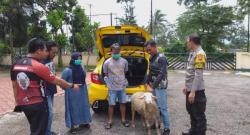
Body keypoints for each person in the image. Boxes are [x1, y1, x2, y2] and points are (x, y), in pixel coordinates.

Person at [10, 38, 80, 135]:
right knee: (40, 131)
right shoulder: (38, 66)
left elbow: (14, 86)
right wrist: (72, 85)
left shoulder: (15, 65)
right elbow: (57, 81)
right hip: (38, 104)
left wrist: (17, 102)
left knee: (35, 128)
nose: (46, 53)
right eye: (44, 50)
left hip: (24, 104)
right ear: (38, 51)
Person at [182, 33, 207, 135]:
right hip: (191, 89)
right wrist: (186, 86)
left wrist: (193, 92)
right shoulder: (193, 52)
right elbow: (190, 73)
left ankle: (199, 133)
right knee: (192, 112)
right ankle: (193, 132)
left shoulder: (200, 54)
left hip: (196, 91)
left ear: (192, 42)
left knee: (198, 115)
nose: (187, 43)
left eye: (187, 41)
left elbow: (198, 75)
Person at [61, 52, 92, 134]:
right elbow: (62, 82)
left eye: (80, 59)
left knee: (83, 106)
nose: (79, 60)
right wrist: (68, 89)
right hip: (72, 93)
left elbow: (84, 77)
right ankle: (72, 126)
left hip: (82, 91)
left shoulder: (81, 68)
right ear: (73, 59)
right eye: (78, 59)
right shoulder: (67, 70)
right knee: (73, 109)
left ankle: (84, 122)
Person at [145, 40, 171, 135]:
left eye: (149, 49)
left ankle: (167, 128)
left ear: (155, 47)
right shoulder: (151, 57)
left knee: (163, 108)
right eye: (147, 50)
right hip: (153, 86)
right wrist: (147, 82)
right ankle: (156, 124)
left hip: (159, 86)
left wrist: (153, 86)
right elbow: (150, 71)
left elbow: (162, 73)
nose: (148, 51)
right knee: (155, 107)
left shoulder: (162, 58)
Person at [103, 43, 130, 129]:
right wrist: (110, 82)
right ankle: (110, 121)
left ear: (120, 51)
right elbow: (106, 74)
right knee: (111, 104)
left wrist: (120, 80)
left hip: (122, 87)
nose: (116, 53)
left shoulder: (124, 61)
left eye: (118, 51)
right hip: (112, 88)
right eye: (114, 52)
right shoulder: (107, 62)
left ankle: (123, 120)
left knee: (123, 103)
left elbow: (125, 72)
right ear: (111, 52)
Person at [42, 41, 58, 135]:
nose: (54, 55)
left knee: (49, 112)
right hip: (45, 91)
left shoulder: (50, 61)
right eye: (53, 52)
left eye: (56, 53)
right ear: (47, 50)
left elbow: (53, 75)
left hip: (51, 89)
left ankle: (47, 131)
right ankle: (46, 132)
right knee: (50, 113)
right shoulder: (41, 62)